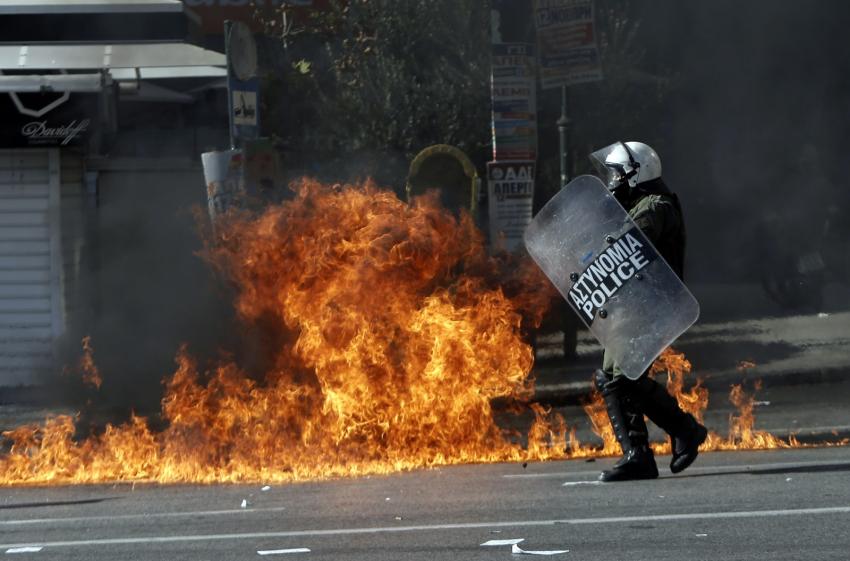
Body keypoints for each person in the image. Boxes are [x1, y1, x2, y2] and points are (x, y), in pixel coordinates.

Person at [588, 141, 708, 482]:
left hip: (654, 305)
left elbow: (630, 241)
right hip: (633, 307)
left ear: (634, 173)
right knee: (612, 379)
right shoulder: (641, 204)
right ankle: (638, 454)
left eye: (615, 173)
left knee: (623, 377)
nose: (612, 180)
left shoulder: (655, 206)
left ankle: (684, 430)